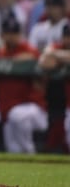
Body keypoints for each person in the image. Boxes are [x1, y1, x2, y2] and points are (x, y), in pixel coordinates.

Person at [0, 17, 47, 153]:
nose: (11, 36)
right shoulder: (0, 53)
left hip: (34, 109)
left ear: (20, 34)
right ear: (3, 34)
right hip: (8, 112)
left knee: (17, 115)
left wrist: (25, 59)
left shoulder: (28, 49)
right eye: (8, 33)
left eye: (14, 33)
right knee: (13, 149)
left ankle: (30, 152)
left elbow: (39, 58)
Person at [38, 22, 70, 152]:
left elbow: (51, 56)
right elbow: (44, 62)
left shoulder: (56, 50)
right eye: (67, 36)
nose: (68, 39)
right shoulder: (57, 46)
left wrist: (56, 56)